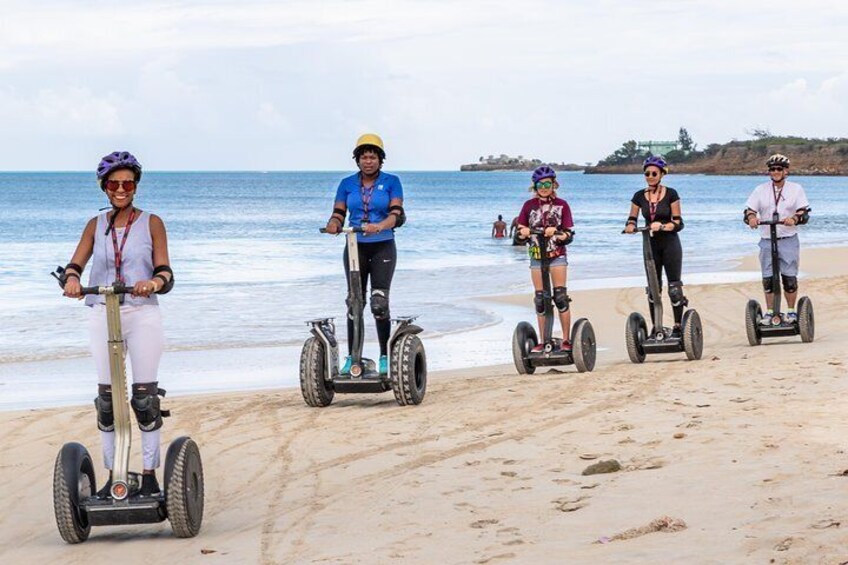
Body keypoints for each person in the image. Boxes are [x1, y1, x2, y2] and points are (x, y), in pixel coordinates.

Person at [59, 151, 174, 498]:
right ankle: (114, 477)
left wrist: (153, 283)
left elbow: (165, 271)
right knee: (107, 401)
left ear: (136, 186)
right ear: (104, 188)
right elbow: (74, 263)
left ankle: (151, 476)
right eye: (114, 183)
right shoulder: (95, 225)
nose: (121, 189)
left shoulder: (152, 222)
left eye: (128, 183)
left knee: (144, 399)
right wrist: (72, 280)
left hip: (141, 313)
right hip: (101, 310)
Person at [325, 134, 406, 375]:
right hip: (354, 246)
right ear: (357, 160)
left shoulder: (392, 181)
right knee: (354, 303)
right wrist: (333, 223)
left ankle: (384, 354)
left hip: (383, 245)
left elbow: (397, 214)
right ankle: (353, 357)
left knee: (379, 303)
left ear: (380, 160)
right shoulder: (347, 184)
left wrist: (381, 226)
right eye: (363, 157)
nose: (368, 161)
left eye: (372, 157)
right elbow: (339, 212)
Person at [743, 153, 811, 324]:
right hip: (767, 239)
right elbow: (749, 209)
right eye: (772, 169)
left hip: (787, 238)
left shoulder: (796, 189)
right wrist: (752, 218)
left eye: (779, 169)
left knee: (789, 278)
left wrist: (794, 219)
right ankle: (770, 312)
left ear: (786, 171)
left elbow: (803, 211)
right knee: (768, 278)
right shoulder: (760, 190)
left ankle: (791, 311)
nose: (775, 172)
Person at [623, 156, 687, 337]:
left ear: (661, 174)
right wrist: (629, 227)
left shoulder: (671, 194)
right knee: (653, 287)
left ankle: (677, 326)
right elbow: (632, 218)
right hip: (649, 244)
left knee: (674, 287)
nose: (650, 176)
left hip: (670, 243)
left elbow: (679, 222)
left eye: (654, 173)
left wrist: (664, 226)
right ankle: (656, 326)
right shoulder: (638, 196)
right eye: (647, 173)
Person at [516, 166, 575, 352]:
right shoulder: (528, 206)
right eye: (540, 184)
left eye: (547, 183)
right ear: (535, 186)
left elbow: (569, 234)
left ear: (553, 184)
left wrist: (558, 234)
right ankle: (543, 341)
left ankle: (566, 339)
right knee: (540, 300)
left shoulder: (562, 205)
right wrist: (523, 233)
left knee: (560, 297)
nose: (544, 187)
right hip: (536, 256)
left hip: (556, 256)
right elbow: (518, 235)